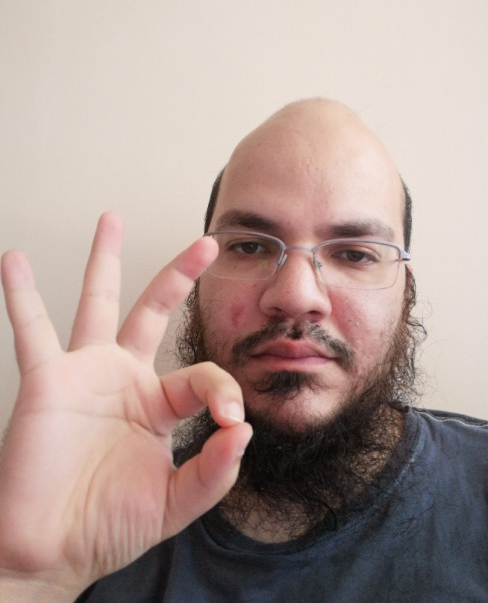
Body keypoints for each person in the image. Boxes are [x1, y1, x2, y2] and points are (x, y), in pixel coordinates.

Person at [0, 98, 487, 602]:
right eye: (251, 246)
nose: (295, 296)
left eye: (354, 253)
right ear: (200, 282)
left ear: (406, 292)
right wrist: (27, 579)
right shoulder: (94, 511)